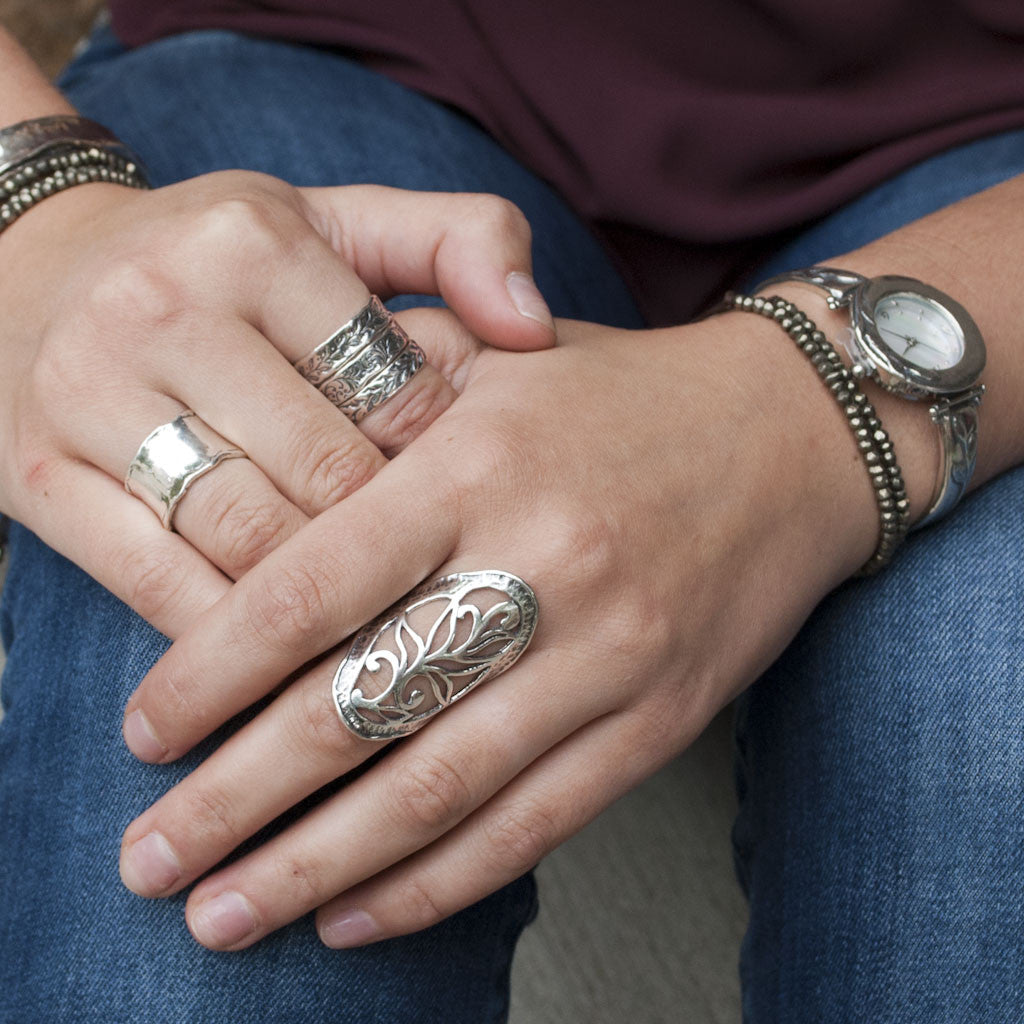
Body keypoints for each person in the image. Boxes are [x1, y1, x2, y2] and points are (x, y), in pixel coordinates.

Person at [1, 3, 1024, 1021]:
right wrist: (34, 215)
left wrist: (803, 411)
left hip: (989, 162)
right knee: (227, 800)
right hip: (330, 56)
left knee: (986, 734)